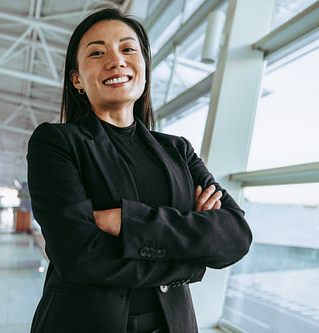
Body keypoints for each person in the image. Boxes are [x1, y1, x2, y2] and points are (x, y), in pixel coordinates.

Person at [27, 7, 252, 333]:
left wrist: (125, 221)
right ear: (77, 79)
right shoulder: (57, 143)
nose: (116, 60)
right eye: (97, 52)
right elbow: (76, 255)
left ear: (144, 66)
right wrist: (189, 258)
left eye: (128, 49)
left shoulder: (178, 150)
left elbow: (234, 234)